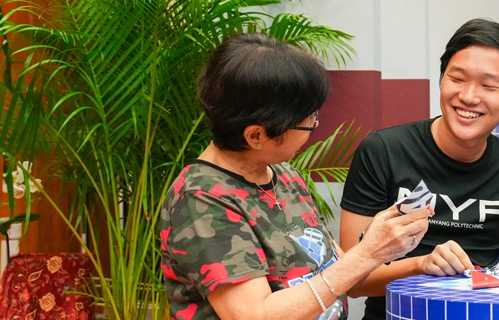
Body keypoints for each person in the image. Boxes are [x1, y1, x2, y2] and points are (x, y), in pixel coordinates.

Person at [158, 33, 431, 320]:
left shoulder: (282, 174)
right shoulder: (202, 198)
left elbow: (338, 269)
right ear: (256, 135)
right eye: (308, 123)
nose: (315, 125)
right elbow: (255, 315)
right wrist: (367, 254)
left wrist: (392, 249)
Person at [338, 18, 499, 319]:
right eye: (457, 78)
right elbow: (351, 280)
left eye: (488, 85)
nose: (468, 96)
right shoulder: (384, 150)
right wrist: (422, 265)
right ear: (442, 79)